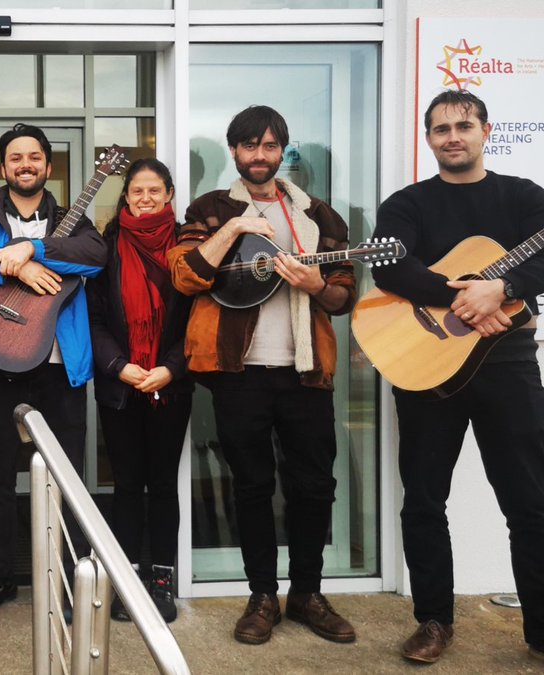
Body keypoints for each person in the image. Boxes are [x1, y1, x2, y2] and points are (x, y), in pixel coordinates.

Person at [168, 105, 357, 645]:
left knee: (315, 485)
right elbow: (185, 276)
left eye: (270, 147)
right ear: (234, 151)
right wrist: (232, 228)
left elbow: (345, 295)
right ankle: (262, 597)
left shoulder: (318, 215)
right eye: (249, 146)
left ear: (283, 152)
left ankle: (308, 594)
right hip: (238, 372)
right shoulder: (210, 208)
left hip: (305, 371)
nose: (259, 156)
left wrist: (315, 285)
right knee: (251, 486)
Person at [371, 89, 544, 665]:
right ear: (428, 139)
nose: (453, 136)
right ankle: (433, 621)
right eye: (441, 128)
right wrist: (471, 297)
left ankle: (541, 629)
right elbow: (392, 262)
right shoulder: (408, 203)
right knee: (423, 498)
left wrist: (508, 287)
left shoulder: (522, 197)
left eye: (464, 125)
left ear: (486, 130)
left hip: (508, 363)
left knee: (530, 500)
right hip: (429, 367)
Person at [0, 123, 107, 617]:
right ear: (4, 167)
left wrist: (35, 249)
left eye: (34, 156)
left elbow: (95, 257)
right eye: (16, 157)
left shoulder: (73, 223)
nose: (25, 164)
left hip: (60, 369)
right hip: (0, 363)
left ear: (48, 167)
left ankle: (71, 582)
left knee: (68, 479)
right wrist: (9, 264)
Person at [87, 158, 192, 624]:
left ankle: (163, 581)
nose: (145, 199)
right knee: (127, 485)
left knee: (163, 485)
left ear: (169, 194)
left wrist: (170, 368)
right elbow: (93, 317)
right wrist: (118, 366)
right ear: (125, 197)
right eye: (137, 191)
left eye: (154, 191)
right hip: (121, 385)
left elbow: (198, 321)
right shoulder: (105, 246)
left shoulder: (189, 247)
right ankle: (128, 581)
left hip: (170, 385)